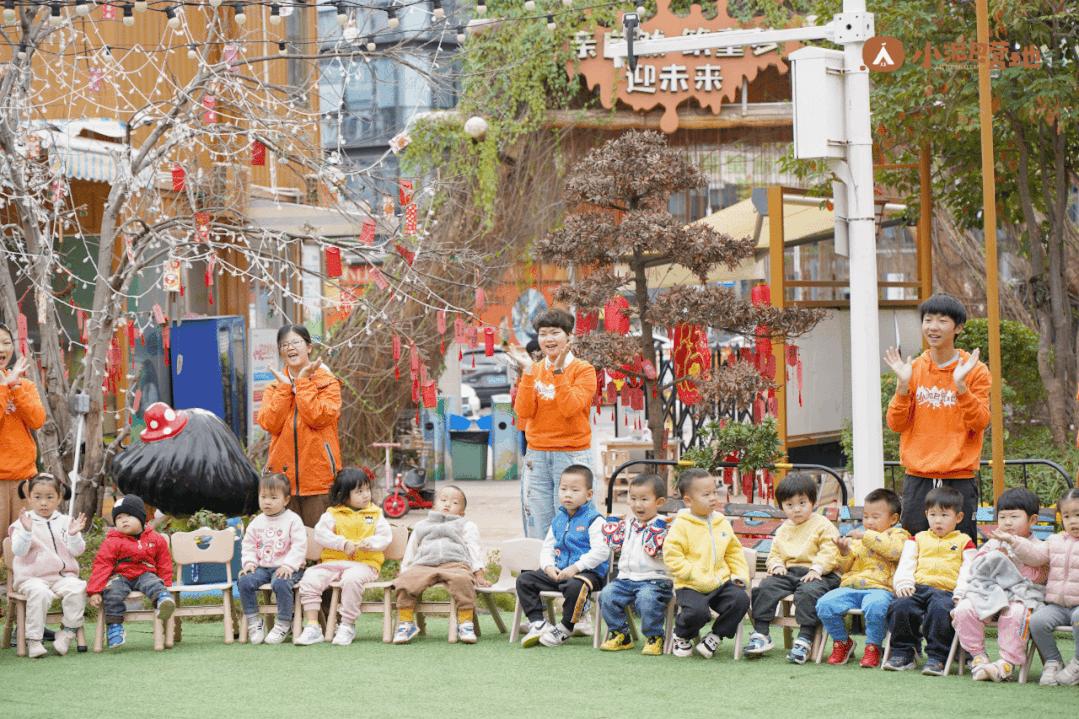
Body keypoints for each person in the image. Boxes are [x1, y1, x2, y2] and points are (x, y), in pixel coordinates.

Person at [884, 293, 990, 541]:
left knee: (960, 548)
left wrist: (961, 387)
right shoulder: (914, 369)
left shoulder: (975, 370)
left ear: (958, 327)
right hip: (918, 477)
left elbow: (980, 421)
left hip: (958, 478)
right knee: (913, 547)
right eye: (928, 320)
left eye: (942, 321)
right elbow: (895, 424)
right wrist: (902, 386)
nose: (933, 327)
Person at [510, 309, 598, 539]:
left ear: (569, 337)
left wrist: (558, 373)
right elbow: (524, 411)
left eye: (555, 333)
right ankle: (541, 572)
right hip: (536, 456)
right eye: (543, 334)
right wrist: (528, 374)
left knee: (574, 518)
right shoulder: (535, 370)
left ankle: (575, 570)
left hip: (571, 455)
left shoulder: (583, 370)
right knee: (537, 519)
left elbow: (570, 409)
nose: (548, 339)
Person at [952, 487, 1047, 682]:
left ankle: (1007, 663)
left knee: (1016, 614)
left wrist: (1013, 561)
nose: (1007, 522)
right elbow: (977, 568)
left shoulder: (1038, 547)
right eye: (1002, 517)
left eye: (1014, 517)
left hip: (1020, 596)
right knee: (965, 609)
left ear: (1032, 520)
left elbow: (1038, 576)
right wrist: (990, 560)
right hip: (990, 594)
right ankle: (978, 656)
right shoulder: (993, 543)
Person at [745, 473, 840, 664]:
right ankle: (761, 633)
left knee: (809, 592)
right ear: (782, 507)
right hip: (790, 572)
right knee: (766, 586)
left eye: (802, 503)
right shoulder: (783, 529)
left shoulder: (823, 525)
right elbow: (775, 554)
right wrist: (777, 565)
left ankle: (805, 637)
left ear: (813, 502)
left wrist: (817, 569)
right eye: (789, 505)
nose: (796, 509)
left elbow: (830, 551)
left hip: (821, 573)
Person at [295, 467, 392, 647]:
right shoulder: (332, 514)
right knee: (310, 577)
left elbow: (385, 537)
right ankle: (313, 626)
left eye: (367, 489)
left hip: (364, 564)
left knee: (351, 580)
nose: (366, 495)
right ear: (344, 495)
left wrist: (371, 543)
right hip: (333, 563)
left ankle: (347, 625)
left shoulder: (375, 514)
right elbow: (320, 534)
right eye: (359, 491)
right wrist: (342, 544)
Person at [884, 485, 975, 674]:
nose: (938, 520)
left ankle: (937, 657)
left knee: (940, 609)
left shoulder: (964, 541)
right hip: (917, 586)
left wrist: (961, 593)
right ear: (926, 515)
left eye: (944, 515)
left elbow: (969, 570)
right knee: (901, 605)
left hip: (946, 590)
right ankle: (903, 652)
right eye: (933, 515)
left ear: (958, 518)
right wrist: (904, 583)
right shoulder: (917, 539)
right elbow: (906, 564)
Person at [257, 324, 342, 527]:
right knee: (285, 545)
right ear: (280, 351)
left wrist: (302, 383)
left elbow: (318, 417)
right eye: (284, 344)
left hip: (319, 480)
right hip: (281, 484)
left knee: (320, 544)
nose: (290, 348)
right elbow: (270, 423)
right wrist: (286, 388)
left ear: (309, 347)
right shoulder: (275, 387)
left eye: (296, 342)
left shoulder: (328, 383)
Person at [516, 465, 608, 648]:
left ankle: (565, 628)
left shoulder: (595, 520)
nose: (568, 494)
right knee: (524, 579)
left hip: (587, 574)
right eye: (563, 489)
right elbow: (548, 546)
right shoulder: (559, 519)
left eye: (575, 490)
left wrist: (575, 568)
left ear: (589, 495)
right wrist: (548, 566)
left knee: (575, 586)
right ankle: (538, 622)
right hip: (559, 572)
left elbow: (602, 551)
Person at [996, 487, 1079, 686]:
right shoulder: (1054, 541)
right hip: (1057, 605)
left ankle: (1077, 663)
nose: (1073, 521)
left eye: (1078, 515)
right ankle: (1053, 661)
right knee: (1038, 621)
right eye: (1067, 516)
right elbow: (1035, 556)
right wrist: (1013, 541)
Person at [663, 469, 750, 659]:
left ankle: (716, 636)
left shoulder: (721, 521)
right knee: (697, 612)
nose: (713, 498)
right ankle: (682, 635)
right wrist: (692, 574)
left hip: (720, 581)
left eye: (714, 492)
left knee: (740, 600)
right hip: (691, 584)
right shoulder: (681, 525)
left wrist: (738, 575)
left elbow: (733, 551)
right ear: (688, 501)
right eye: (706, 494)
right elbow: (672, 556)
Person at [816, 488, 908, 668]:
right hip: (851, 587)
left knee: (876, 606)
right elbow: (844, 568)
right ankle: (843, 642)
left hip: (880, 589)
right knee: (824, 604)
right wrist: (843, 552)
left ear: (893, 519)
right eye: (866, 517)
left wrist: (866, 535)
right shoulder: (858, 539)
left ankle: (873, 647)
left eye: (875, 517)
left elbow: (894, 552)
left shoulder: (898, 535)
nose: (869, 522)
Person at [392, 486, 489, 645]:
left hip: (455, 564)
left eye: (455, 502)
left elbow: (474, 549)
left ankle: (465, 623)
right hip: (423, 564)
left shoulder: (466, 525)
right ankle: (405, 623)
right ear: (434, 505)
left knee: (463, 580)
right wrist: (405, 570)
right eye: (443, 500)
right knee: (405, 582)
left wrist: (478, 573)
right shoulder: (421, 525)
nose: (448, 504)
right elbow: (412, 548)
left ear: (462, 512)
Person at [7, 474, 88, 658]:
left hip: (62, 577)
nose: (44, 503)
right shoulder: (23, 522)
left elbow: (77, 551)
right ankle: (34, 640)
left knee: (77, 587)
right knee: (39, 593)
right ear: (29, 497)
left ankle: (66, 633)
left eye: (50, 497)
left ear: (59, 498)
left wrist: (74, 535)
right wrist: (27, 532)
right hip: (31, 578)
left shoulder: (66, 521)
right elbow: (18, 551)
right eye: (37, 497)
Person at [598, 474, 674, 656]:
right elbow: (614, 546)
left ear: (660, 502)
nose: (638, 505)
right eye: (633, 499)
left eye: (644, 499)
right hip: (626, 579)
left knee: (646, 599)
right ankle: (620, 634)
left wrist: (659, 532)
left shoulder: (665, 526)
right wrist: (612, 525)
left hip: (655, 580)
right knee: (607, 595)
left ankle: (655, 637)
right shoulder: (627, 524)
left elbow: (656, 551)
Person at [87, 495, 175, 649]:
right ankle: (115, 628)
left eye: (129, 515)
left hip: (145, 573)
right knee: (112, 592)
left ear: (141, 518)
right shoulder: (112, 541)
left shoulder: (155, 539)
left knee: (154, 583)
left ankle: (163, 600)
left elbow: (164, 563)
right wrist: (94, 591)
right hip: (121, 576)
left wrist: (166, 584)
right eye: (119, 517)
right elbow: (102, 565)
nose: (124, 520)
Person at [237, 473, 308, 645]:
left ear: (286, 500)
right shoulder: (256, 522)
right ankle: (254, 621)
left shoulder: (293, 520)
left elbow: (299, 545)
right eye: (263, 497)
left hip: (288, 567)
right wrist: (249, 563)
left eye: (273, 497)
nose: (267, 501)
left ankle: (284, 623)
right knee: (244, 581)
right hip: (262, 567)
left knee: (281, 582)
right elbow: (248, 545)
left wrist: (289, 565)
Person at [0, 322, 47, 534]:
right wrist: (3, 387)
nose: (2, 349)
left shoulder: (24, 384)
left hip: (23, 478)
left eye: (6, 342)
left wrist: (15, 387)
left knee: (23, 544)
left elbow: (37, 420)